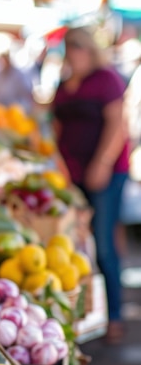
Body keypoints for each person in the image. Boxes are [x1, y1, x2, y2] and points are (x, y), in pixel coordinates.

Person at [52, 26, 130, 344]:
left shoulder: (106, 79)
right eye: (68, 47)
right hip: (73, 174)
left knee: (104, 242)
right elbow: (56, 126)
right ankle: (85, 315)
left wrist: (102, 163)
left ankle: (115, 316)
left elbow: (118, 123)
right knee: (78, 243)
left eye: (78, 47)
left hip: (105, 173)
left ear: (90, 49)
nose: (72, 52)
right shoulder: (65, 83)